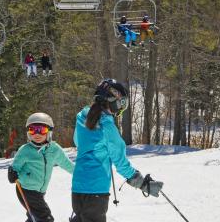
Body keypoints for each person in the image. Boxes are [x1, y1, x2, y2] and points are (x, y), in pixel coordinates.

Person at [70, 79, 163, 222]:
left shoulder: (82, 118)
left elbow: (78, 142)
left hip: (77, 189)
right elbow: (120, 162)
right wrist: (142, 183)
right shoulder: (107, 127)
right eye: (122, 103)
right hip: (96, 191)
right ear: (113, 101)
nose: (121, 107)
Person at [8, 113, 74, 222]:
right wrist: (12, 173)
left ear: (49, 131)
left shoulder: (54, 149)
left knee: (34, 216)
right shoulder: (25, 150)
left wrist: (81, 173)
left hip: (40, 191)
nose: (36, 134)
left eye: (41, 130)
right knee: (45, 217)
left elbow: (67, 164)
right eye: (32, 130)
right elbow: (15, 167)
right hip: (26, 189)